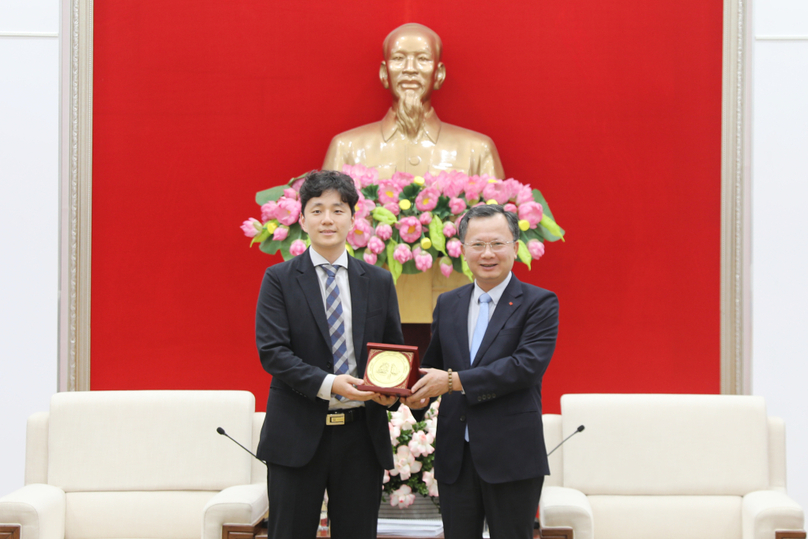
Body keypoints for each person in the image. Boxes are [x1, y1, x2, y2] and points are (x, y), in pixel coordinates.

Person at [255, 170, 404, 539]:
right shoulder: (279, 279)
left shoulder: (379, 281)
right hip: (297, 432)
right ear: (302, 219)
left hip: (360, 436)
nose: (327, 219)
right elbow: (273, 352)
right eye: (317, 210)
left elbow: (393, 351)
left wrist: (390, 391)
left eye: (337, 210)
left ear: (353, 218)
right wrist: (330, 383)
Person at [402, 204, 559, 539]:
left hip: (512, 456)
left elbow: (525, 367)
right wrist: (418, 398)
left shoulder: (540, 303)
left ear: (515, 248)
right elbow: (436, 366)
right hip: (455, 456)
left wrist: (453, 382)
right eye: (477, 244)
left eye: (497, 243)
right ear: (462, 250)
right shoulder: (449, 303)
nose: (487, 253)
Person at [323, 23, 505, 179]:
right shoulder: (345, 149)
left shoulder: (478, 151)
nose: (410, 69)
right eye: (399, 58)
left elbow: (495, 217)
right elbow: (328, 214)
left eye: (423, 59)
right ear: (384, 73)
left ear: (439, 74)